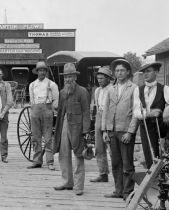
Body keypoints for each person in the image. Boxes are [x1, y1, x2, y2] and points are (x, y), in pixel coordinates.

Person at [102, 58, 139, 200]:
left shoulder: (133, 88)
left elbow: (136, 112)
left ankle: (128, 192)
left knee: (127, 163)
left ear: (128, 72)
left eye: (122, 70)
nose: (119, 73)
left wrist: (130, 132)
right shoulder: (111, 89)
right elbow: (105, 110)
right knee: (116, 162)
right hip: (112, 131)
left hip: (125, 131)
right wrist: (105, 131)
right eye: (117, 70)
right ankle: (118, 190)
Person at [53, 63, 91, 195]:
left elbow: (86, 112)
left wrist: (86, 131)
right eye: (66, 77)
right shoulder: (62, 92)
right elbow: (60, 112)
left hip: (78, 128)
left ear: (75, 77)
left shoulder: (82, 92)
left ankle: (79, 186)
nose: (68, 79)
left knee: (79, 155)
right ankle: (67, 182)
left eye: (70, 76)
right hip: (64, 126)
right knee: (63, 155)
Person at [132, 62, 169, 169]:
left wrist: (167, 108)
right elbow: (136, 111)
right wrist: (149, 114)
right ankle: (152, 179)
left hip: (160, 125)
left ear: (156, 72)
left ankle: (163, 176)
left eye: (148, 71)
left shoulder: (164, 88)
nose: (145, 74)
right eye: (144, 72)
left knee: (161, 152)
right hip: (145, 125)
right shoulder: (138, 90)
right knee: (149, 153)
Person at [27, 61, 59, 170]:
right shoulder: (32, 85)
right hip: (35, 111)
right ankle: (37, 161)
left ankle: (50, 162)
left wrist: (52, 111)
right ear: (37, 72)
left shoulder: (52, 85)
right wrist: (34, 111)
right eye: (40, 70)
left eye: (44, 70)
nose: (42, 72)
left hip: (47, 112)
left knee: (48, 137)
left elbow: (56, 101)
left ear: (46, 72)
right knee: (35, 137)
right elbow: (31, 101)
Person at [89, 66, 113, 183]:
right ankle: (103, 174)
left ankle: (120, 176)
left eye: (102, 78)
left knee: (113, 149)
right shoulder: (97, 91)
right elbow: (96, 107)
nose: (99, 80)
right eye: (98, 78)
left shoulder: (113, 89)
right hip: (99, 117)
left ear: (108, 78)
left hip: (110, 118)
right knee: (99, 148)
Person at [0, 66, 14, 163]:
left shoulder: (7, 85)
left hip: (4, 114)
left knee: (3, 136)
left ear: (3, 75)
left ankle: (4, 156)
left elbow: (10, 101)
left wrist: (3, 113)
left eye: (0, 74)